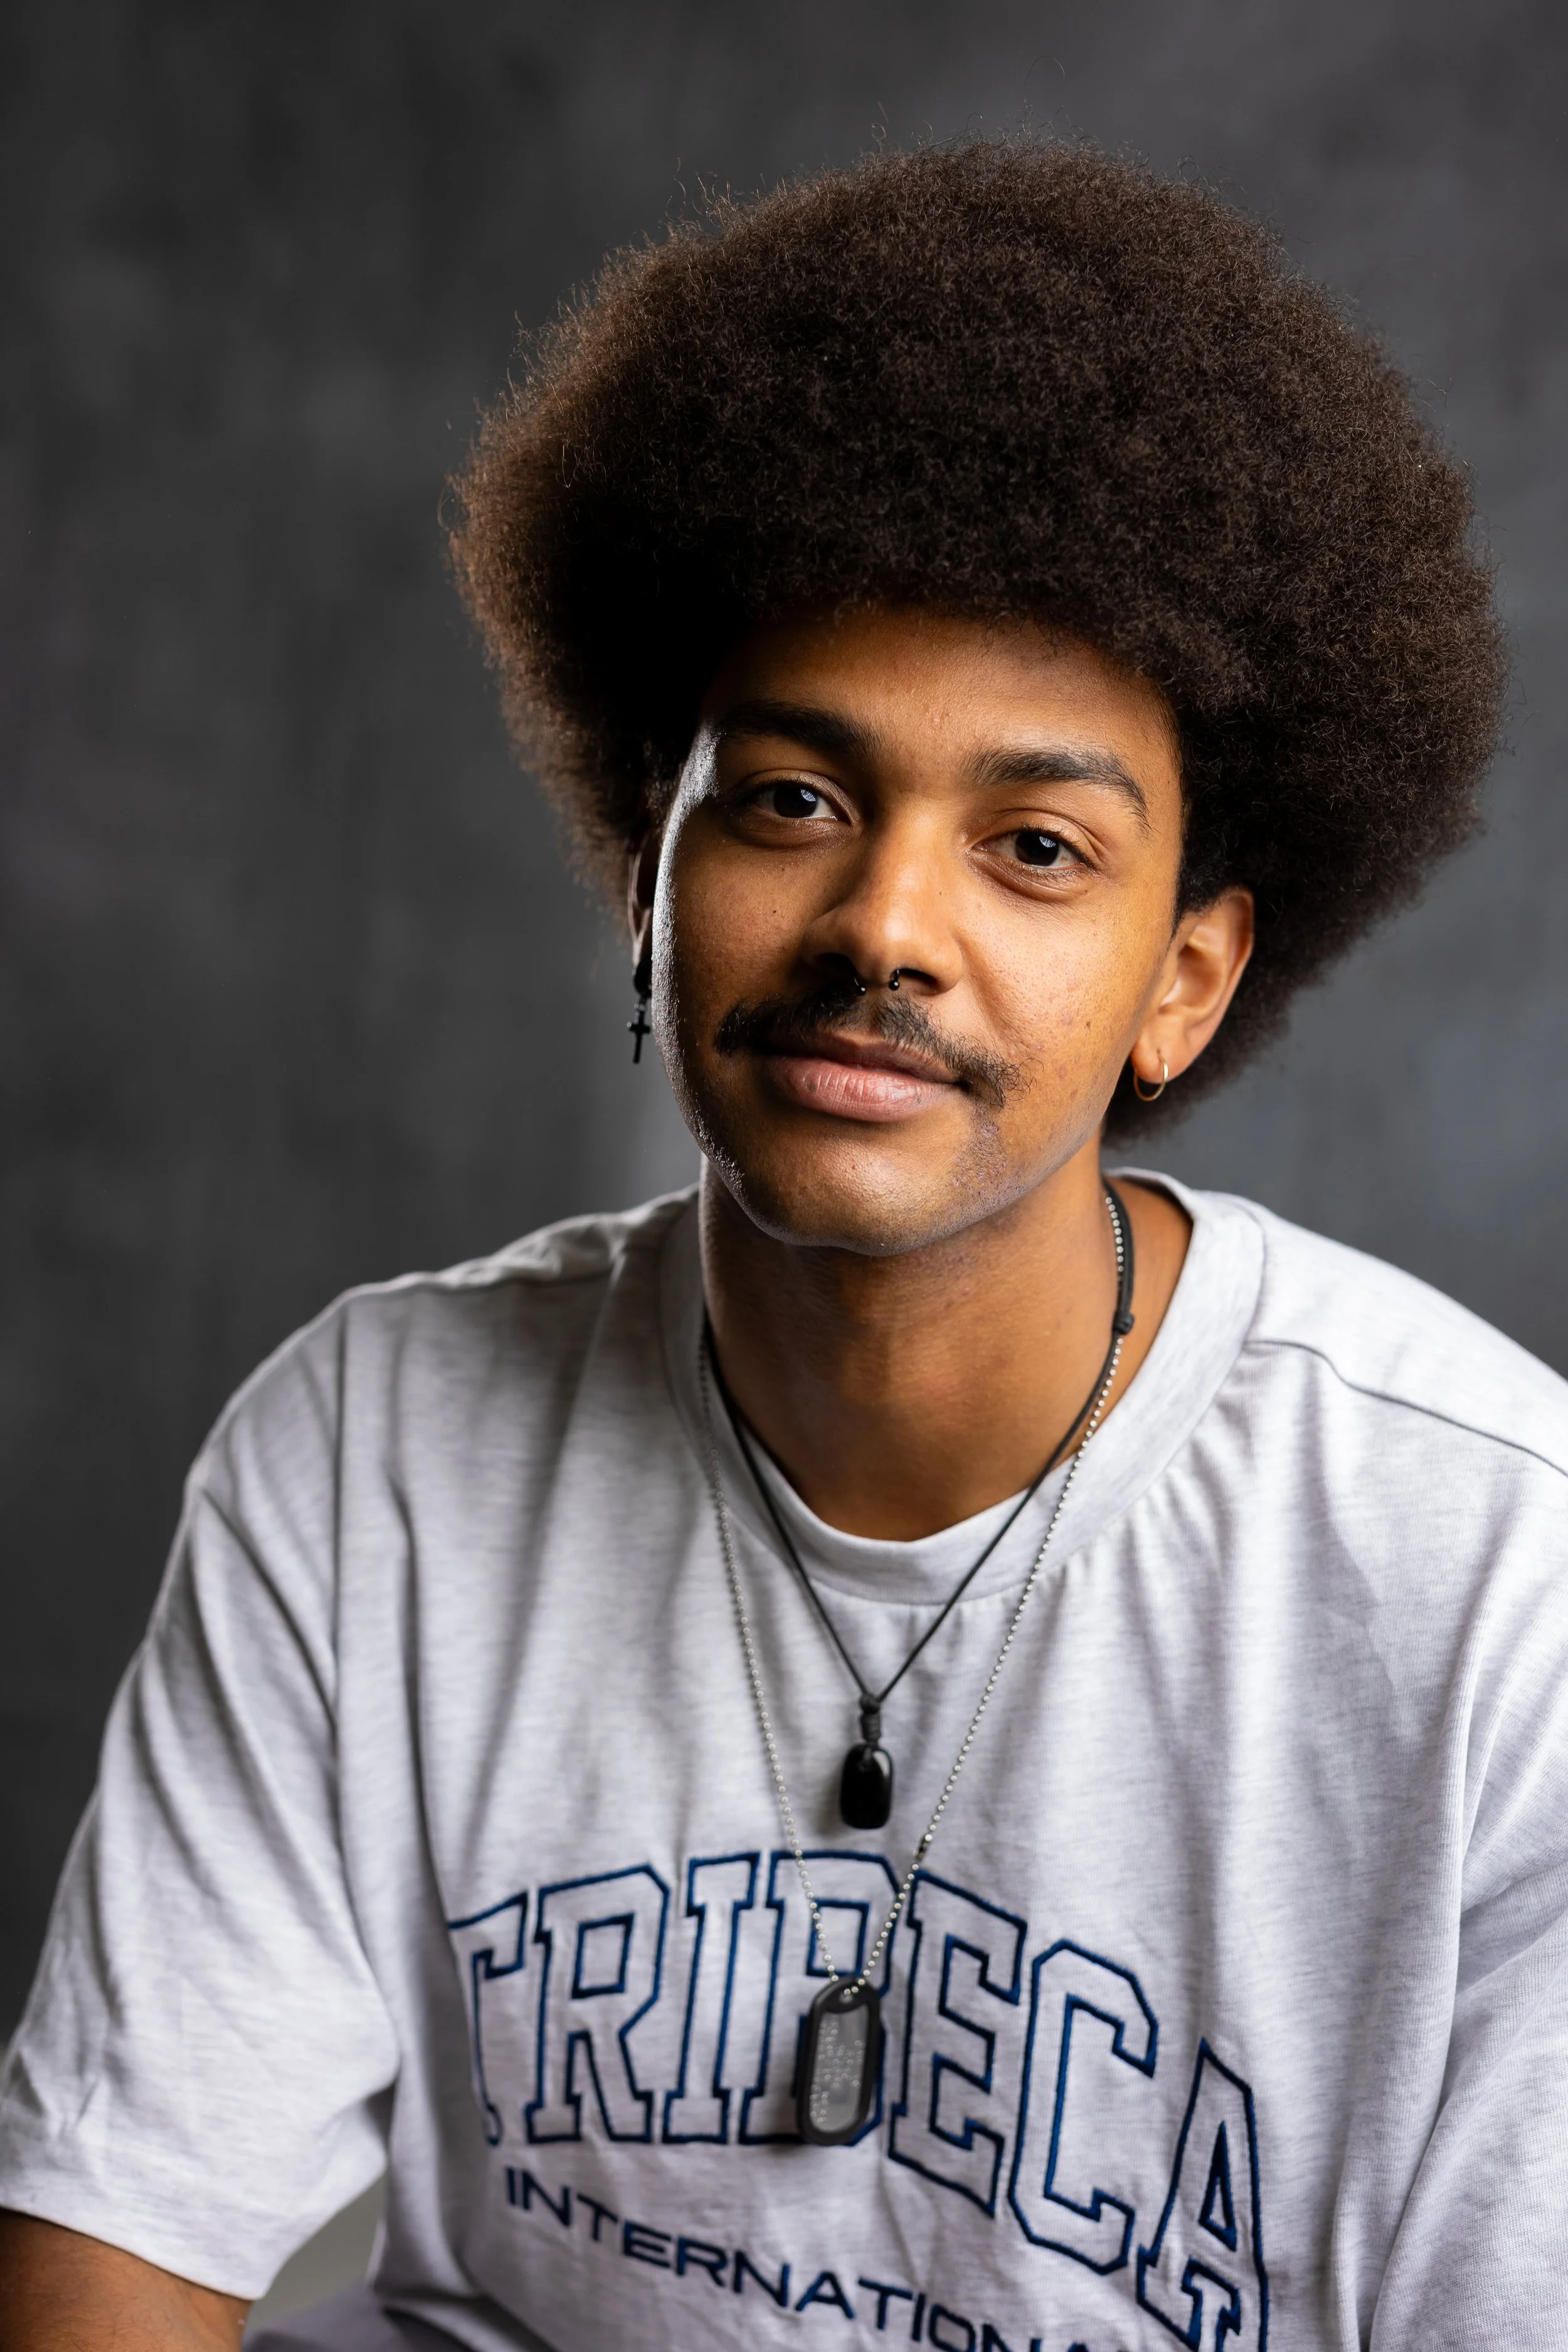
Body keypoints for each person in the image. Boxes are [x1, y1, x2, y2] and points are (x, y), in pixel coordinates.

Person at [0, 137, 1560, 2352]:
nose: (882, 930)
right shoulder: (372, 1448)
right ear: (650, 860)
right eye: (793, 800)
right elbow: (107, 2252)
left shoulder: (1499, 1590)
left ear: (1183, 980)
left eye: (1032, 845)